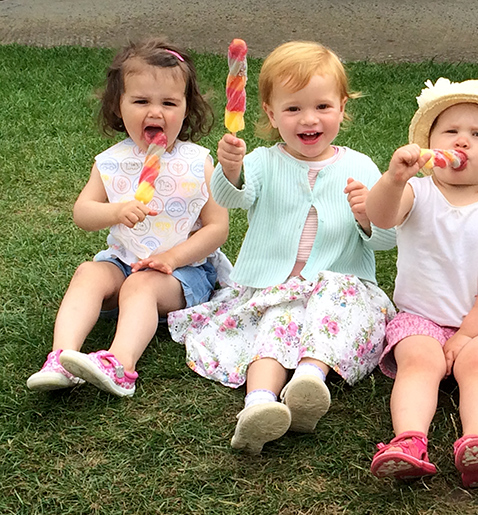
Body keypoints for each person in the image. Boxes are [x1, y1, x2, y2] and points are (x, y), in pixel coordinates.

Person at [167, 41, 396, 454]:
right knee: (275, 326)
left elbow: (387, 238)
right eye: (293, 109)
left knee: (334, 312)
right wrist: (232, 168)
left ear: (343, 107)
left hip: (340, 284)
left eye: (322, 107)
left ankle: (309, 379)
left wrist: (367, 216)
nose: (309, 119)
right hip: (276, 283)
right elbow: (232, 196)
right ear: (272, 114)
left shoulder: (360, 166)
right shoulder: (262, 162)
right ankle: (259, 405)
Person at [26, 38, 229, 398]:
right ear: (118, 107)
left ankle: (121, 364)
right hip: (122, 261)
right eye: (141, 101)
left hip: (183, 274)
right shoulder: (110, 161)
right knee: (89, 272)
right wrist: (116, 211)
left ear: (186, 109)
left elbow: (217, 227)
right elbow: (83, 213)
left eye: (169, 102)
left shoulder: (198, 162)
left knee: (140, 286)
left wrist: (171, 258)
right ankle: (60, 357)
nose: (156, 112)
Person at [366, 78, 478, 487]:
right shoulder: (418, 193)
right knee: (419, 362)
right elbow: (381, 217)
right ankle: (409, 440)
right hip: (421, 318)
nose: (462, 142)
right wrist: (393, 180)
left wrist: (467, 336)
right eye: (451, 132)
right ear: (431, 147)